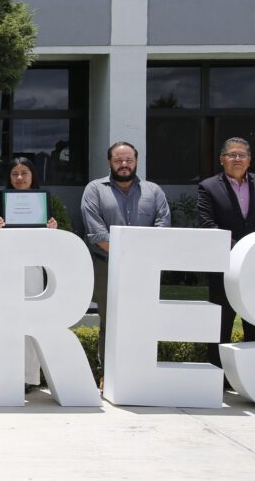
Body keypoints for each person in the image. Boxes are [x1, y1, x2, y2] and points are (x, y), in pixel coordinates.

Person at [81, 141, 171, 378]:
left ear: (136, 161)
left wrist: (138, 258)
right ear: (110, 162)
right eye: (118, 160)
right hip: (107, 266)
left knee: (145, 319)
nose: (124, 164)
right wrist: (131, 255)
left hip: (145, 269)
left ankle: (141, 373)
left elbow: (163, 227)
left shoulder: (154, 191)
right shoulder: (95, 189)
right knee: (109, 322)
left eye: (128, 160)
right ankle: (108, 374)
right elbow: (97, 233)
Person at [197, 137, 255, 372]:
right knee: (221, 324)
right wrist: (241, 251)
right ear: (222, 160)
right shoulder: (209, 187)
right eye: (232, 155)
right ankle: (219, 377)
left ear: (249, 159)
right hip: (225, 267)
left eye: (242, 155)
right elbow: (208, 226)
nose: (237, 159)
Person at [0, 156, 72, 392]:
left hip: (35, 269)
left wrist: (54, 230)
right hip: (7, 269)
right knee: (7, 322)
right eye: (14, 173)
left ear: (33, 175)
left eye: (24, 173)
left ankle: (28, 377)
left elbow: (62, 238)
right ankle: (5, 372)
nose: (19, 178)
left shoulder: (48, 201)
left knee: (32, 323)